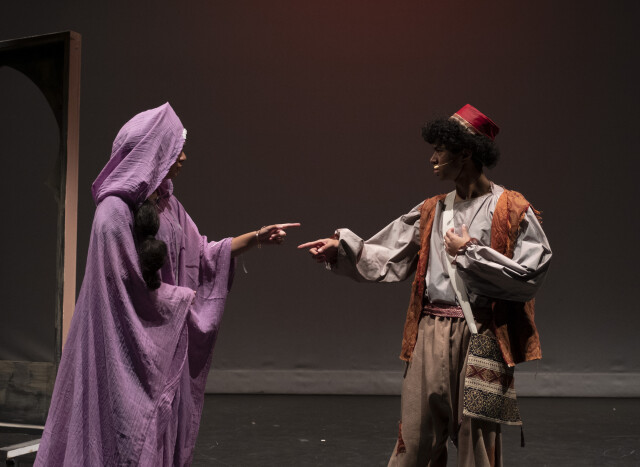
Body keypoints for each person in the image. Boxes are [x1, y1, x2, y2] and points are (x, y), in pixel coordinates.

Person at [35, 103, 299, 466]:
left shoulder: (168, 205)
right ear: (153, 153)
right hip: (122, 351)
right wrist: (177, 302)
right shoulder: (113, 214)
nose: (184, 157)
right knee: (121, 428)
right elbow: (121, 293)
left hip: (163, 347)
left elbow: (202, 254)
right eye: (177, 149)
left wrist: (256, 237)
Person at [298, 104, 551, 466]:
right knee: (415, 438)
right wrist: (342, 248)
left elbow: (529, 275)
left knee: (477, 442)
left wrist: (470, 252)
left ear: (465, 153)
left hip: (483, 335)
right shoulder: (433, 209)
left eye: (440, 150)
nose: (433, 159)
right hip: (430, 330)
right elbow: (389, 254)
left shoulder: (512, 208)